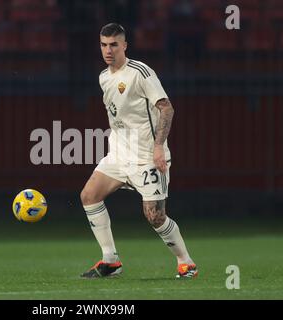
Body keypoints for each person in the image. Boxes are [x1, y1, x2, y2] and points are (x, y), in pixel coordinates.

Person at [80, 23, 198, 279]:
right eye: (103, 45)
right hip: (119, 155)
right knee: (89, 195)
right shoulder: (104, 77)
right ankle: (111, 261)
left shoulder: (141, 72)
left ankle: (185, 261)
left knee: (155, 216)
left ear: (124, 45)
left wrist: (158, 147)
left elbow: (166, 108)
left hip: (146, 156)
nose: (108, 50)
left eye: (113, 44)